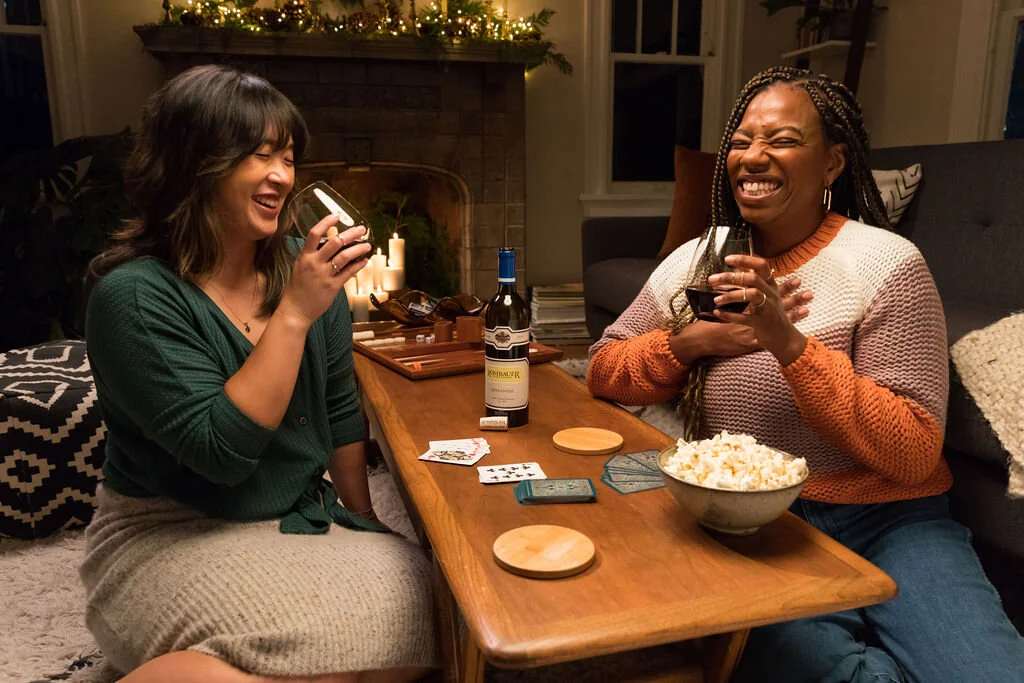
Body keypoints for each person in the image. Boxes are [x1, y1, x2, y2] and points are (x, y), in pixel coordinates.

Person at [587, 66, 1024, 683]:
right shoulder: (701, 257)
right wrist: (692, 341)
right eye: (741, 142)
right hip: (757, 524)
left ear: (833, 163)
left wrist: (789, 345)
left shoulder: (886, 264)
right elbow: (605, 369)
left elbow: (915, 449)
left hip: (893, 519)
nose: (753, 157)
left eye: (783, 140)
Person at [81, 64, 437, 683]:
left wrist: (363, 519)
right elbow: (221, 451)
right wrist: (295, 314)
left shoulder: (302, 272)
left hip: (292, 516)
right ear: (193, 163)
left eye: (288, 157)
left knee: (435, 619)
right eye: (258, 155)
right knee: (332, 654)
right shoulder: (133, 297)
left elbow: (338, 407)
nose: (281, 175)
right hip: (172, 530)